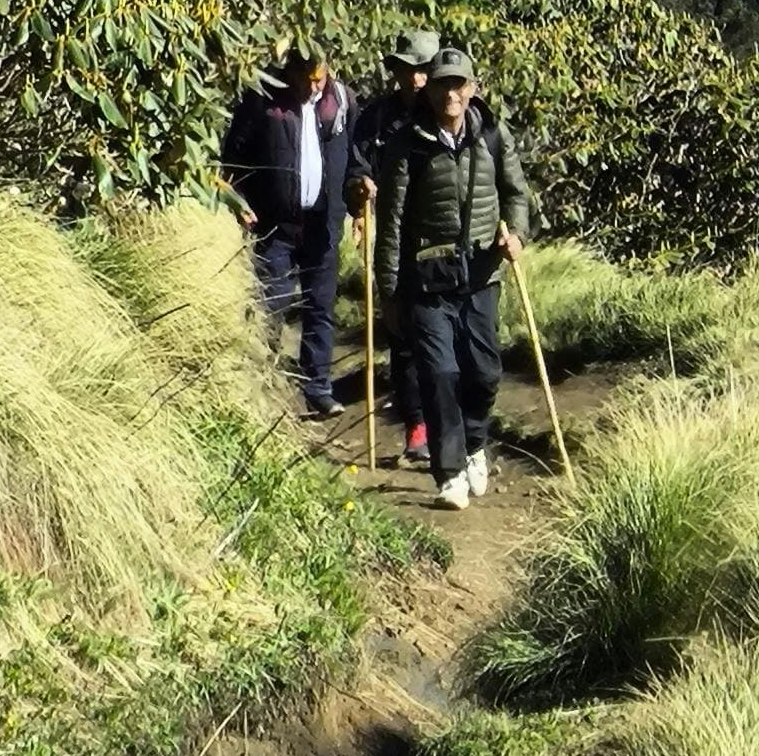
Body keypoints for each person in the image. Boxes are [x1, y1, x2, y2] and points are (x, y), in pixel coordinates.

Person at [366, 44, 533, 507]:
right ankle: (450, 471)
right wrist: (390, 291)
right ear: (430, 89)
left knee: (483, 374)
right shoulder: (406, 144)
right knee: (439, 374)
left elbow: (516, 194)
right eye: (442, 84)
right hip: (426, 281)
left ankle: (475, 443)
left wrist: (516, 234)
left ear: (472, 89)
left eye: (458, 85)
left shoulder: (493, 135)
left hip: (481, 275)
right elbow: (392, 223)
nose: (450, 94)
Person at [220, 43, 353, 418]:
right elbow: (234, 157)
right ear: (291, 71)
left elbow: (354, 155)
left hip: (322, 222)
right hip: (274, 223)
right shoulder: (263, 101)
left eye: (320, 78)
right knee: (270, 304)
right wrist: (239, 200)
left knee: (320, 306)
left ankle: (318, 388)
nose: (314, 87)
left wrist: (358, 188)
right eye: (307, 79)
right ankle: (261, 382)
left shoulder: (340, 103)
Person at [348, 28, 441, 465]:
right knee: (403, 334)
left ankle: (452, 426)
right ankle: (416, 429)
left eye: (423, 70)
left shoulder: (449, 113)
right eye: (409, 70)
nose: (416, 79)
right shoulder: (376, 118)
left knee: (444, 335)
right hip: (394, 235)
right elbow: (357, 162)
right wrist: (359, 185)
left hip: (442, 237)